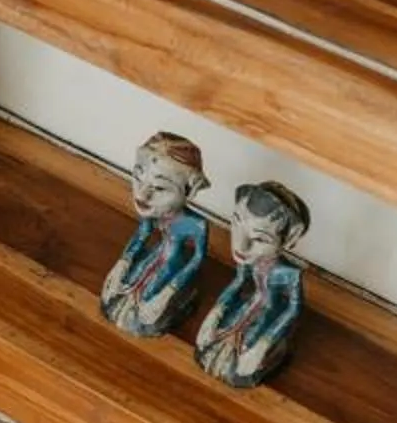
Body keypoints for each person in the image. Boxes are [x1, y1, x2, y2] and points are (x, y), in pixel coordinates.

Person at [193, 182, 311, 388]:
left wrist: (267, 340)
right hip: (246, 307)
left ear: (288, 239)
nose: (241, 245)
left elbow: (293, 309)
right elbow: (238, 282)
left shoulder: (289, 274)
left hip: (268, 316)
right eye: (236, 223)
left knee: (243, 354)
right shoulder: (250, 263)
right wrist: (217, 312)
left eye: (260, 239)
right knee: (215, 344)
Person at [101, 131, 210, 338]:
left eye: (160, 188)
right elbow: (142, 234)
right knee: (128, 289)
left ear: (189, 191)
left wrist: (175, 285)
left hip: (172, 265)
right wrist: (124, 262)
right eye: (138, 177)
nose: (141, 194)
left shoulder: (196, 225)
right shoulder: (154, 212)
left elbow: (197, 259)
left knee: (150, 297)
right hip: (154, 256)